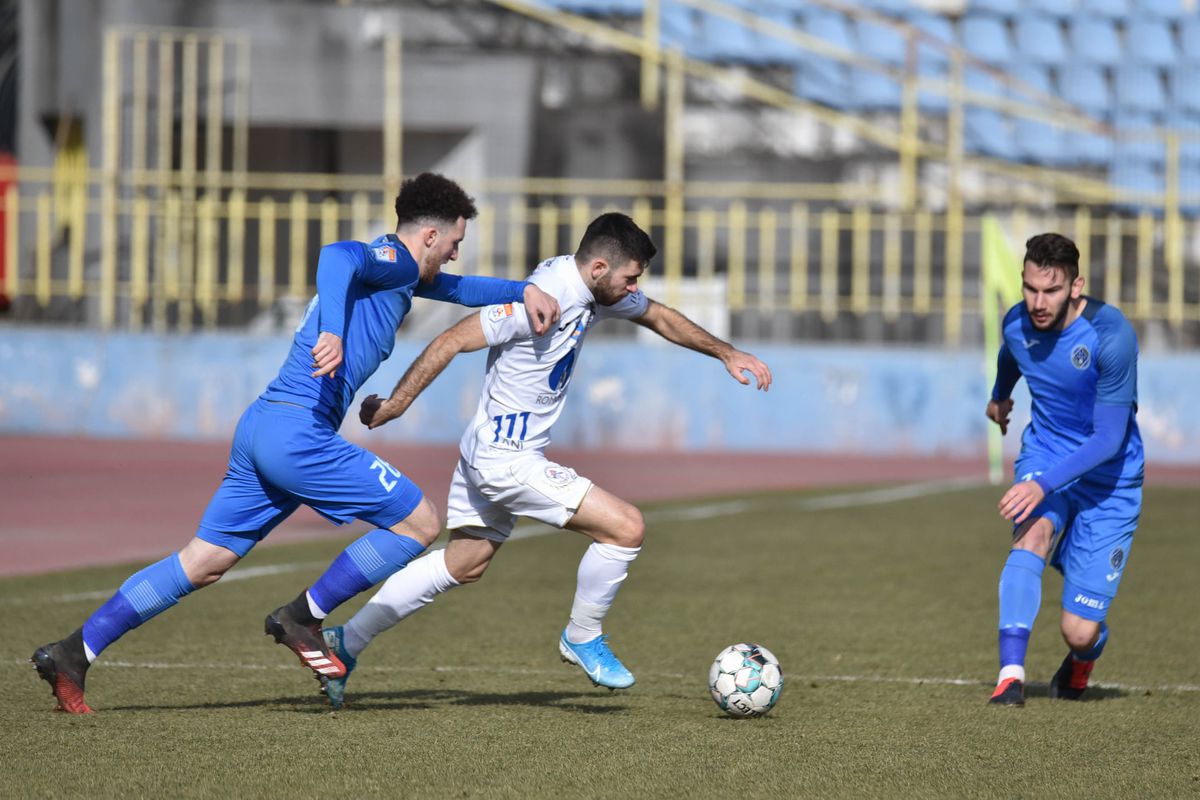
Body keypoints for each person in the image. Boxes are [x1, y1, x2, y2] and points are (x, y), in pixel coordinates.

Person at [30, 173, 560, 714]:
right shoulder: (393, 260)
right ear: (428, 236)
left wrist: (525, 290)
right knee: (421, 523)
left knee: (204, 560)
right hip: (297, 433)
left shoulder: (398, 276)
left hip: (263, 425)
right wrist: (333, 329)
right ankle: (303, 616)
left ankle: (73, 652)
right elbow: (335, 255)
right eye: (453, 244)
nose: (453, 255)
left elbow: (460, 289)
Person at [315, 212, 772, 709]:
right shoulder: (544, 296)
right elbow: (452, 339)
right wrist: (396, 405)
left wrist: (727, 353)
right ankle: (582, 635)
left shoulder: (595, 288)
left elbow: (658, 316)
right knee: (626, 528)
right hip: (504, 459)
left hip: (490, 449)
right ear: (599, 268)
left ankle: (348, 642)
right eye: (631, 278)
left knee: (466, 561)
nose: (634, 289)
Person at [985, 232, 1143, 706]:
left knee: (1078, 631)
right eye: (1030, 288)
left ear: (1076, 287)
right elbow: (1010, 354)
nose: (1037, 301)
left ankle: (1080, 663)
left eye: (1050, 291)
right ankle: (1010, 676)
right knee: (1029, 533)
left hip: (1109, 479)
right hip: (1046, 455)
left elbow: (1109, 438)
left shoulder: (1110, 335)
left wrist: (1044, 485)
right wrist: (999, 396)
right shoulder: (1016, 322)